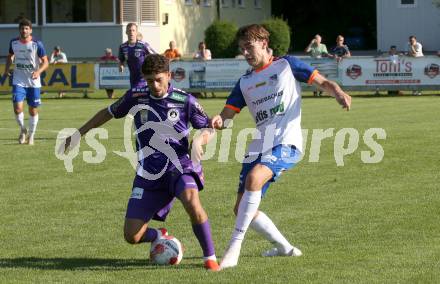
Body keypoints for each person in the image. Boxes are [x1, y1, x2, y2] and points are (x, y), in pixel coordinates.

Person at [209, 24, 351, 269]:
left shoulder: (287, 64)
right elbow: (227, 115)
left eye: (249, 47)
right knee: (241, 209)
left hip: (287, 142)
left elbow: (322, 81)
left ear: (264, 43)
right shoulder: (244, 82)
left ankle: (234, 248)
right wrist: (219, 121)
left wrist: (337, 92)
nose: (245, 53)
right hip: (259, 146)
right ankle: (285, 248)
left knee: (255, 178)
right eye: (242, 49)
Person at [60, 54, 220, 271]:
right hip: (149, 172)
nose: (154, 85)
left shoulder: (186, 101)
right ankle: (159, 235)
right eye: (149, 80)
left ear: (169, 76)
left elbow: (208, 126)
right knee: (132, 235)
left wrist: (200, 139)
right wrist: (79, 134)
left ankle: (209, 258)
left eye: (158, 79)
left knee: (191, 200)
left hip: (180, 165)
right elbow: (107, 113)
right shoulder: (136, 96)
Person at [3, 18, 49, 145]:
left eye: (26, 28)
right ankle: (23, 130)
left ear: (30, 30)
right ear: (19, 30)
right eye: (22, 28)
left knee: (32, 110)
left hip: (33, 83)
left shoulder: (37, 44)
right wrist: (6, 69)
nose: (24, 30)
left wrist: (38, 72)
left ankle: (32, 135)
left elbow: (46, 62)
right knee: (17, 108)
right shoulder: (13, 42)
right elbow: (10, 56)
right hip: (18, 80)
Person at [118, 23, 156, 88]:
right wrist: (121, 65)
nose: (131, 33)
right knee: (136, 96)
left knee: (139, 94)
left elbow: (155, 56)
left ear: (136, 32)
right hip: (133, 78)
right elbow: (121, 60)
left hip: (144, 77)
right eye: (129, 30)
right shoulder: (123, 47)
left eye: (133, 30)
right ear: (126, 32)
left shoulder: (143, 45)